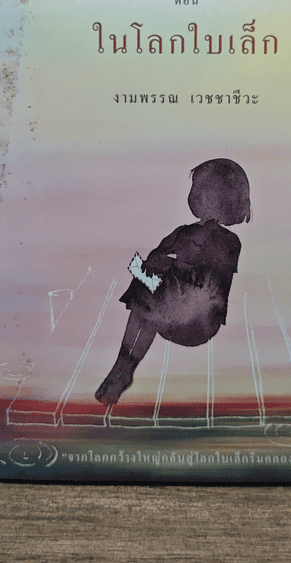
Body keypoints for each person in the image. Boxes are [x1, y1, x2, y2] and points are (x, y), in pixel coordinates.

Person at [95, 158, 251, 406]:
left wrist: (175, 263)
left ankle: (126, 362)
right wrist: (157, 265)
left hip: (199, 318)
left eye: (204, 192)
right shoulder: (183, 232)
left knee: (153, 299)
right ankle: (125, 364)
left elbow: (213, 284)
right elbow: (156, 257)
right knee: (148, 299)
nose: (198, 196)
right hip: (170, 311)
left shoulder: (229, 242)